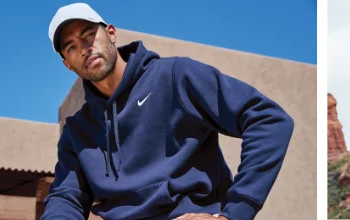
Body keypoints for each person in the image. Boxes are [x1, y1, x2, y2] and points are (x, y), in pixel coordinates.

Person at [41, 3, 295, 220]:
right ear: (67, 64)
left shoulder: (176, 77)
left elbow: (269, 120)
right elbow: (66, 197)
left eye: (88, 35)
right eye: (71, 47)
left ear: (111, 33)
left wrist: (236, 212)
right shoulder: (77, 130)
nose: (85, 48)